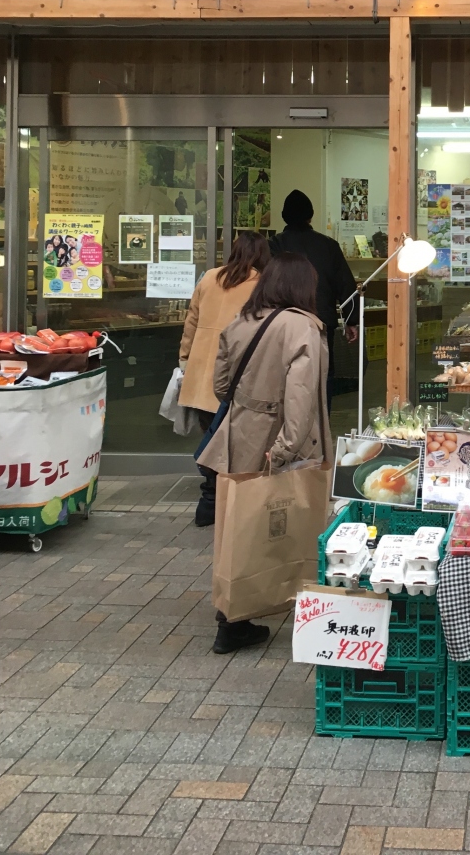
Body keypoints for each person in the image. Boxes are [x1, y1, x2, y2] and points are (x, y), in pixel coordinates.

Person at [197, 253, 332, 655]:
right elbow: (301, 397)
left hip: (240, 435)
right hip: (280, 439)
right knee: (280, 520)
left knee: (240, 521)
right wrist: (286, 448)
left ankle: (234, 614)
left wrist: (249, 407)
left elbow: (221, 385)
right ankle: (248, 613)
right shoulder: (303, 327)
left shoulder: (241, 321)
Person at [178, 230, 270, 527]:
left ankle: (210, 498)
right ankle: (223, 502)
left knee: (211, 435)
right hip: (237, 373)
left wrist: (184, 358)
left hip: (201, 370)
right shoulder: (261, 283)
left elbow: (191, 322)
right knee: (235, 442)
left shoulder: (209, 278)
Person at [269, 189, 359, 408]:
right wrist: (351, 321)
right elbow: (346, 285)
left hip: (283, 323)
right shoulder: (329, 245)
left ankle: (289, 424)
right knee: (322, 376)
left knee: (284, 376)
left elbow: (264, 284)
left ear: (284, 217)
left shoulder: (274, 245)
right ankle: (321, 423)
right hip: (321, 322)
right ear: (310, 216)